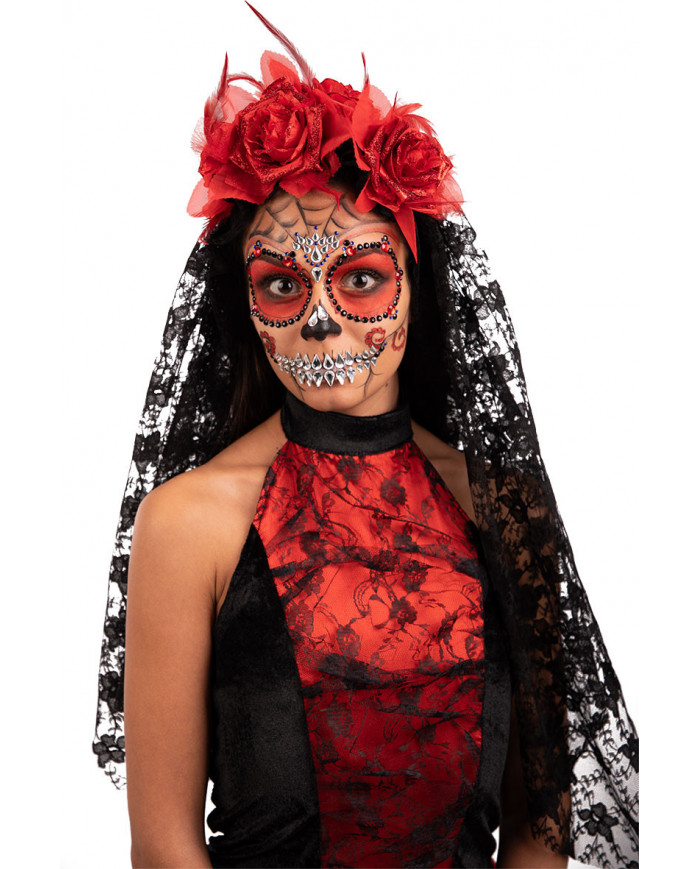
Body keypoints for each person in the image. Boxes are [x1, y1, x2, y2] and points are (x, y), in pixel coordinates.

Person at [93, 5, 639, 867]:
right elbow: (164, 847)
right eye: (281, 285)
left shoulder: (504, 508)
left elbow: (542, 827)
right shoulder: (188, 522)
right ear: (246, 306)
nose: (320, 321)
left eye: (359, 278)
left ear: (419, 288)